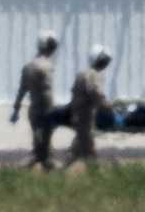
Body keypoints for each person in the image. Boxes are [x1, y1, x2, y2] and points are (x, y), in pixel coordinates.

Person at [11, 29, 59, 171]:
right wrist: (52, 114)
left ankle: (51, 176)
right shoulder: (47, 66)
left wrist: (16, 110)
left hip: (33, 111)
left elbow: (21, 91)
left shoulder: (28, 66)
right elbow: (47, 93)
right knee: (40, 151)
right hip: (45, 110)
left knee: (44, 147)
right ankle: (16, 171)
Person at [62, 44, 114, 169]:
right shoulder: (94, 75)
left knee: (76, 149)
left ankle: (59, 172)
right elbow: (97, 95)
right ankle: (95, 177)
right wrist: (109, 108)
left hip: (78, 115)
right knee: (89, 150)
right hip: (86, 117)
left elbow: (74, 95)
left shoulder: (81, 73)